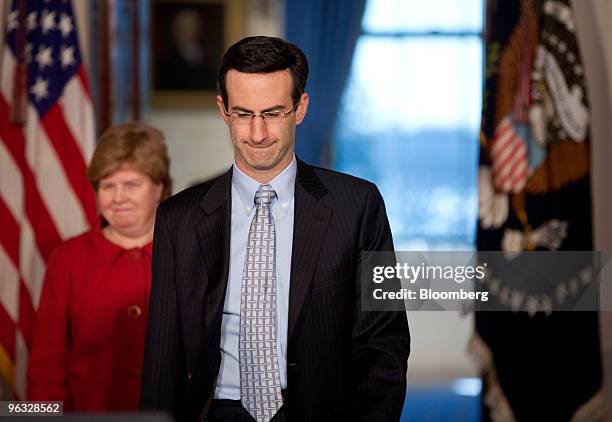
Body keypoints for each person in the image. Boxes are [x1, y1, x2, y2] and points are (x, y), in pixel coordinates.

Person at [141, 36, 410, 422]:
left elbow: (384, 344)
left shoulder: (358, 206)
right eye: (243, 114)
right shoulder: (178, 219)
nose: (258, 132)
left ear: (300, 108)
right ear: (223, 110)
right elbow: (162, 358)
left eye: (273, 113)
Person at [27, 123, 172, 410]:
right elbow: (45, 371)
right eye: (107, 186)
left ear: (159, 188)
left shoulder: (186, 250)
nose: (118, 198)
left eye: (131, 185)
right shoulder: (68, 259)